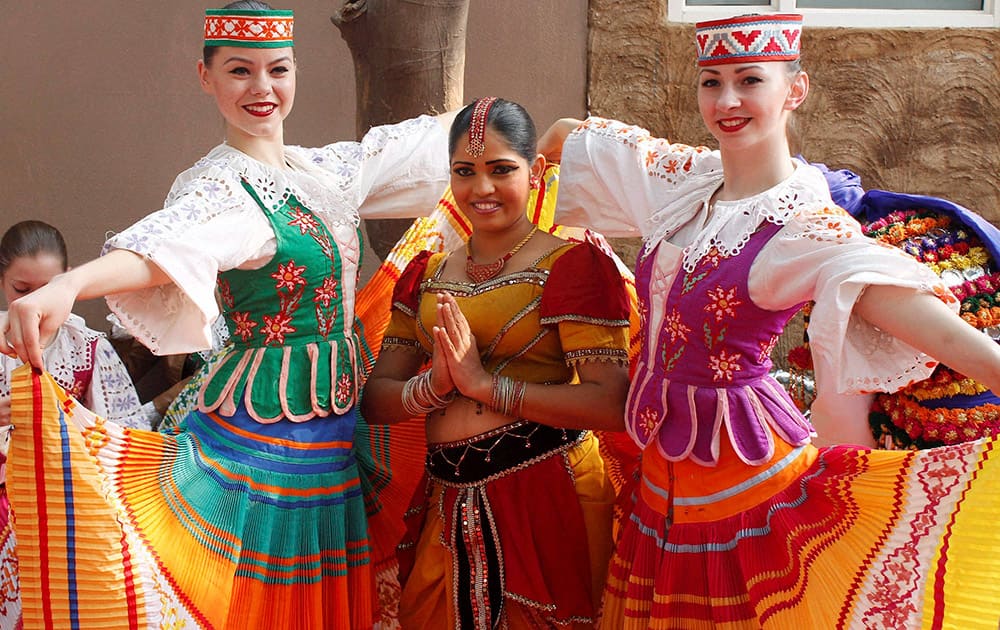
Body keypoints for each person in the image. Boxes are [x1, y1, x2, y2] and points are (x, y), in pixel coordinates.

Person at [0, 2, 455, 628]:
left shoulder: (325, 170)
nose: (262, 88)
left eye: (278, 69)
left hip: (331, 432)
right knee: (251, 601)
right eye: (240, 71)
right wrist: (68, 286)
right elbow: (164, 248)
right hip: (261, 441)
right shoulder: (217, 187)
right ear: (205, 76)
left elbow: (425, 148)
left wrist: (542, 138)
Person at [540, 13, 1000, 628]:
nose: (727, 100)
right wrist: (526, 168)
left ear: (795, 90)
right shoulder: (684, 181)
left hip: (746, 485)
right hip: (658, 485)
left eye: (749, 80)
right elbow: (576, 138)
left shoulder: (803, 223)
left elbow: (918, 318)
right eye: (712, 81)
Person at [361, 97, 632, 629]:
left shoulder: (571, 267)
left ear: (534, 173)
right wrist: (434, 387)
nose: (481, 189)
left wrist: (487, 386)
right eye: (465, 172)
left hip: (546, 492)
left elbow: (611, 402)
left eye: (500, 170)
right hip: (446, 496)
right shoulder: (426, 273)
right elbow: (375, 400)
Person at [0, 220, 146, 429]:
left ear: (67, 280)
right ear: (2, 280)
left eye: (48, 288)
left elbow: (127, 427)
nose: (35, 303)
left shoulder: (87, 347)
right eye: (22, 290)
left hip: (72, 459)